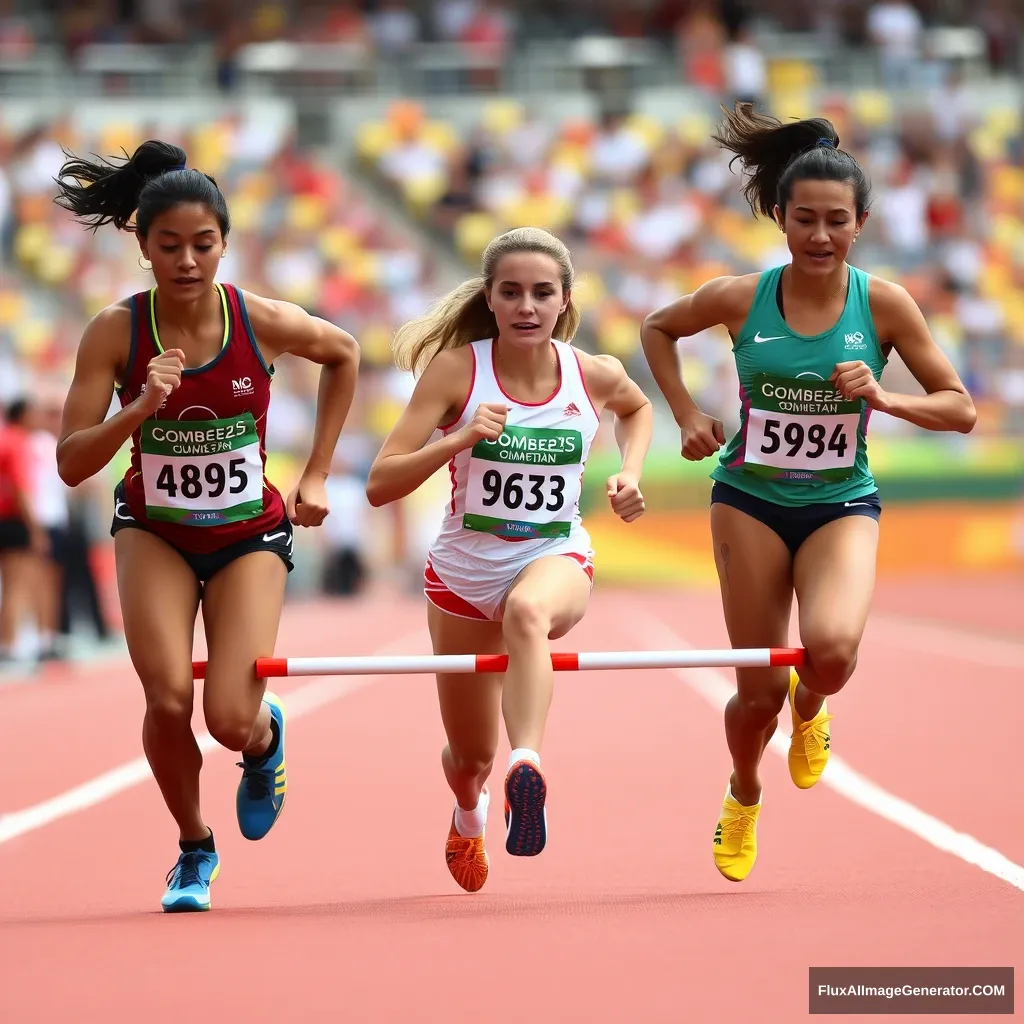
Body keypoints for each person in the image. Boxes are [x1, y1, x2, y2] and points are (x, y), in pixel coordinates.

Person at [640, 103, 976, 884]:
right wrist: (686, 413)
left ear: (862, 221)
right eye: (803, 221)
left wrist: (889, 401)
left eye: (836, 222)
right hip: (749, 498)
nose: (819, 237)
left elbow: (958, 406)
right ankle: (744, 791)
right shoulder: (738, 297)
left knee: (830, 655)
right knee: (753, 698)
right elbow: (657, 327)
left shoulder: (885, 304)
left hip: (839, 502)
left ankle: (814, 705)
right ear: (779, 218)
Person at [53, 140, 360, 911]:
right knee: (164, 701)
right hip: (153, 529)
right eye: (170, 246)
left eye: (205, 244)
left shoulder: (254, 317)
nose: (188, 261)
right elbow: (69, 464)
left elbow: (344, 353)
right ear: (142, 246)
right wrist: (139, 409)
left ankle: (263, 739)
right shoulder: (115, 333)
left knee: (227, 717)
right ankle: (194, 847)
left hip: (246, 534)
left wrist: (317, 471)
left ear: (225, 242)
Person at [366, 227, 652, 893]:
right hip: (463, 578)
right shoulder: (457, 372)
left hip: (555, 557)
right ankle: (471, 810)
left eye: (541, 293)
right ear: (490, 300)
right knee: (469, 757)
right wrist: (461, 436)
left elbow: (635, 410)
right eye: (512, 292)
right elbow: (382, 483)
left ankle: (529, 767)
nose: (527, 306)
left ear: (565, 301)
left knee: (529, 613)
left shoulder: (592, 374)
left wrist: (628, 471)